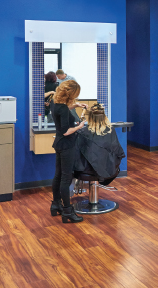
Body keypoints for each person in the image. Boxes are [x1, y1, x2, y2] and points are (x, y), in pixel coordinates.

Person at [51, 80, 88, 223]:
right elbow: (66, 131)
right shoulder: (64, 109)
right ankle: (67, 211)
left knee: (58, 175)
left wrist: (76, 105)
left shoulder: (55, 103)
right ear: (70, 94)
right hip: (67, 145)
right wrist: (79, 126)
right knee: (66, 178)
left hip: (59, 144)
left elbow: (63, 111)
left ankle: (56, 204)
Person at [74, 104, 126, 185]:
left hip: (86, 171)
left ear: (90, 117)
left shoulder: (83, 132)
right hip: (108, 169)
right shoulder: (110, 130)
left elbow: (76, 155)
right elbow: (118, 152)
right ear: (104, 116)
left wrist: (78, 130)